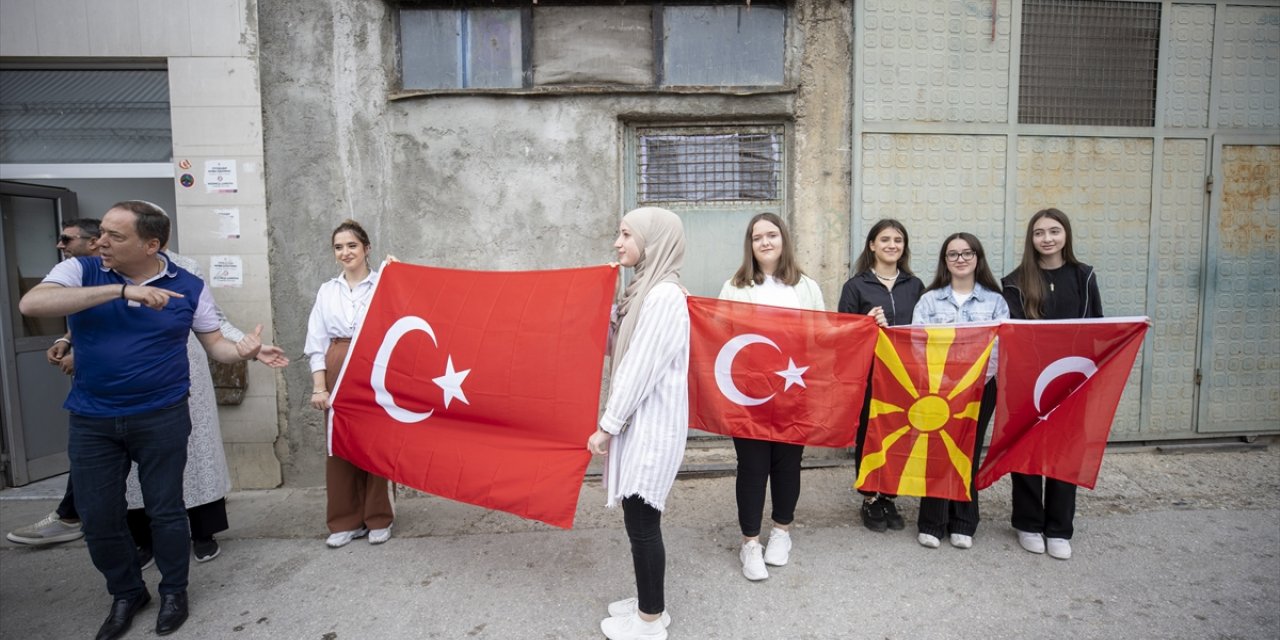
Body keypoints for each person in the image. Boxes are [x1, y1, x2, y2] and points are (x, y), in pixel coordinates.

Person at [17, 200, 287, 640]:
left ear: (151, 244)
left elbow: (214, 343)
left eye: (115, 236)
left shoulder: (189, 285)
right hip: (93, 419)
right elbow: (32, 303)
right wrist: (121, 291)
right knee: (100, 516)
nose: (100, 241)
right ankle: (126, 592)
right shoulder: (82, 270)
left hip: (161, 416)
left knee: (166, 511)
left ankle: (174, 592)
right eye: (101, 232)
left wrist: (242, 352)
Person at [125, 249, 283, 564]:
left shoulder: (185, 269)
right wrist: (67, 343)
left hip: (183, 373)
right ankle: (146, 539)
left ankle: (202, 533)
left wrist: (248, 349)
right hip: (131, 380)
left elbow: (215, 322)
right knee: (136, 463)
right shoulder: (111, 273)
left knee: (195, 455)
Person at [587, 207, 688, 640]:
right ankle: (650, 604)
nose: (618, 242)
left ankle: (650, 620)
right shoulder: (642, 291)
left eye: (627, 234)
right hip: (641, 424)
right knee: (638, 520)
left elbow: (638, 368)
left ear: (653, 240)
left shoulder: (664, 296)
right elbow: (622, 350)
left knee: (643, 523)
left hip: (651, 427)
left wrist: (607, 425)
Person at [716, 212, 824, 581]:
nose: (765, 242)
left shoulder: (806, 286)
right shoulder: (735, 286)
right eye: (757, 237)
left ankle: (781, 532)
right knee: (751, 467)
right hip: (748, 395)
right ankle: (750, 543)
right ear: (749, 244)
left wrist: (865, 327)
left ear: (784, 240)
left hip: (794, 390)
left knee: (787, 464)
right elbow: (716, 333)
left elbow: (822, 335)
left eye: (772, 235)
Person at [1001, 208, 1103, 561]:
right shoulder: (1013, 281)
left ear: (1066, 235)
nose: (1047, 239)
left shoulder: (1084, 276)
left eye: (1054, 231)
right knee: (1027, 451)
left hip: (1071, 380)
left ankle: (1059, 529)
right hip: (1029, 380)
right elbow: (1013, 335)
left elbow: (1097, 328)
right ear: (1031, 239)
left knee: (1064, 452)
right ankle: (1028, 523)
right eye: (1039, 233)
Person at [6, 218, 101, 547]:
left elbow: (119, 321)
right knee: (91, 456)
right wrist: (67, 339)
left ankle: (71, 516)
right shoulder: (77, 273)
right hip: (93, 395)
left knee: (98, 455)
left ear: (93, 242)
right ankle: (72, 515)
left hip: (114, 392)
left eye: (67, 238)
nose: (60, 244)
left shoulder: (107, 274)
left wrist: (84, 354)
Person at [910, 232, 1008, 550]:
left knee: (968, 449)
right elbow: (917, 344)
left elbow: (1000, 347)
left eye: (967, 253)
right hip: (938, 390)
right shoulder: (929, 300)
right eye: (953, 254)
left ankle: (964, 521)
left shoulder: (995, 301)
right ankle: (932, 521)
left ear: (977, 258)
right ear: (945, 261)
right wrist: (944, 382)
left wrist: (972, 380)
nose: (961, 259)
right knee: (938, 450)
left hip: (981, 387)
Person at [304, 219, 395, 548]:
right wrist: (319, 385)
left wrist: (400, 275)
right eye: (339, 247)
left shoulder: (384, 283)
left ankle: (378, 518)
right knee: (339, 444)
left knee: (375, 442)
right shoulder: (328, 291)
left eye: (352, 245)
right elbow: (316, 340)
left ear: (366, 249)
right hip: (338, 362)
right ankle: (345, 520)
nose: (345, 252)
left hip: (375, 363)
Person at [837, 219, 924, 533]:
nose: (891, 245)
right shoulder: (856, 286)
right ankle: (869, 497)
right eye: (884, 239)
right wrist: (864, 322)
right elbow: (843, 335)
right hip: (871, 376)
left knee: (901, 433)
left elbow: (924, 331)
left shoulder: (914, 286)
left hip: (907, 376)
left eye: (898, 240)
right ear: (872, 245)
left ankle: (889, 494)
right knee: (871, 435)